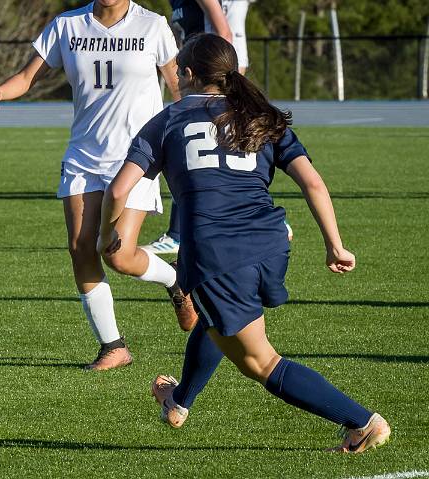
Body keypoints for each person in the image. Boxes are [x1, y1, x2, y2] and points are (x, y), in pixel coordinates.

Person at [99, 33, 390, 452]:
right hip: (271, 243)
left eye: (177, 70)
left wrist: (110, 233)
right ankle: (179, 401)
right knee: (217, 317)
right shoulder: (260, 114)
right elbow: (312, 182)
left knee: (260, 361)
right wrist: (335, 244)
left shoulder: (169, 120)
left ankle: (362, 422)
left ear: (187, 74)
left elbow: (118, 190)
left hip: (216, 252)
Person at [0, 0, 198, 371]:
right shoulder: (67, 25)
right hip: (83, 155)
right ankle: (113, 346)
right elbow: (28, 76)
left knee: (117, 254)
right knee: (81, 248)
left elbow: (179, 87)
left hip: (138, 156)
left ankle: (176, 280)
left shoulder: (152, 24)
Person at [142, 0, 232, 255]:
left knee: (201, 158)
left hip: (208, 84)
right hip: (194, 79)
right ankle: (177, 234)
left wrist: (215, 84)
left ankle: (177, 235)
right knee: (198, 158)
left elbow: (223, 34)